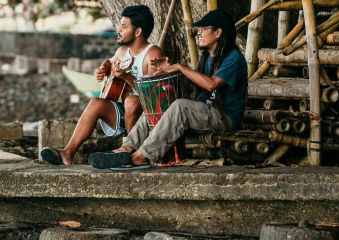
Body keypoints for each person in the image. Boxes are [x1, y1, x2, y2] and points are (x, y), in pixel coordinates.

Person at [89, 9, 247, 169]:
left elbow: (211, 84)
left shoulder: (233, 57)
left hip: (224, 118)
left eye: (203, 29)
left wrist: (180, 67)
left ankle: (141, 156)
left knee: (180, 106)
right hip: (203, 113)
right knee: (159, 102)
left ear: (218, 32)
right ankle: (127, 147)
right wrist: (168, 70)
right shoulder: (207, 57)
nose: (198, 33)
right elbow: (192, 87)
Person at [40, 5, 165, 165]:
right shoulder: (122, 52)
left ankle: (133, 155)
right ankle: (67, 153)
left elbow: (155, 96)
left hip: (146, 120)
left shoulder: (153, 54)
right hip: (124, 114)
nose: (119, 30)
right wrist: (103, 68)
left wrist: (127, 77)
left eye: (124, 26)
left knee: (132, 101)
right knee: (95, 103)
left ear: (138, 31)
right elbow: (109, 61)